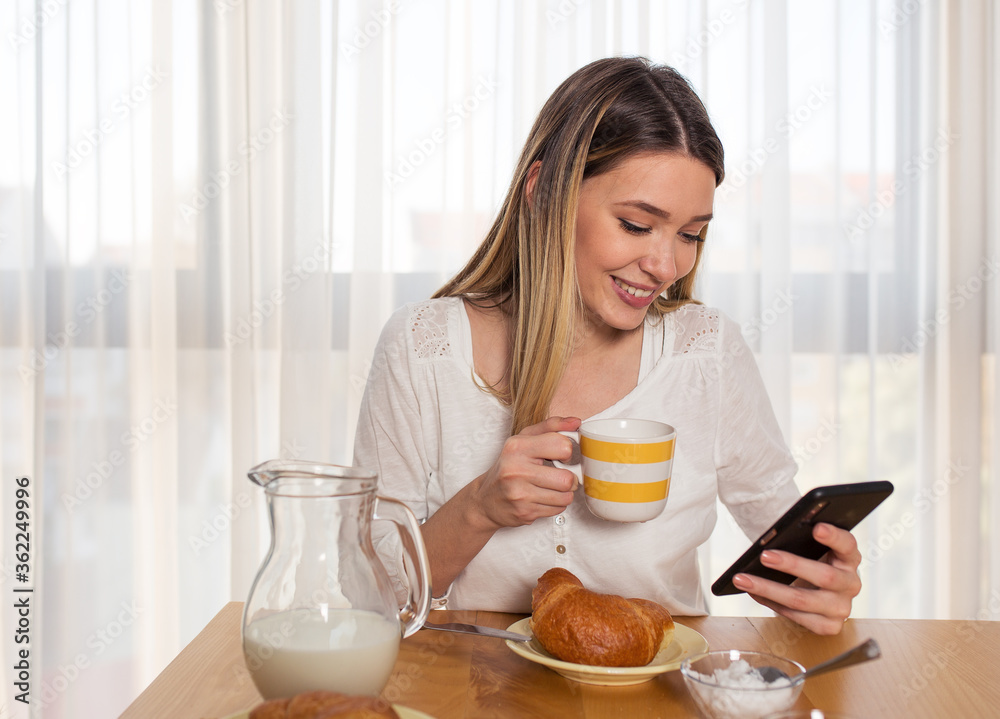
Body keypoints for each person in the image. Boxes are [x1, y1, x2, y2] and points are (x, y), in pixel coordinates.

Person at [354, 56, 861, 635]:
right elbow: (370, 594)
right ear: (544, 191)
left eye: (692, 234)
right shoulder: (423, 349)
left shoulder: (705, 352)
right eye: (638, 225)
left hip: (658, 693)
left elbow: (788, 545)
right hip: (479, 688)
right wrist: (479, 508)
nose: (665, 264)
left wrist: (821, 588)